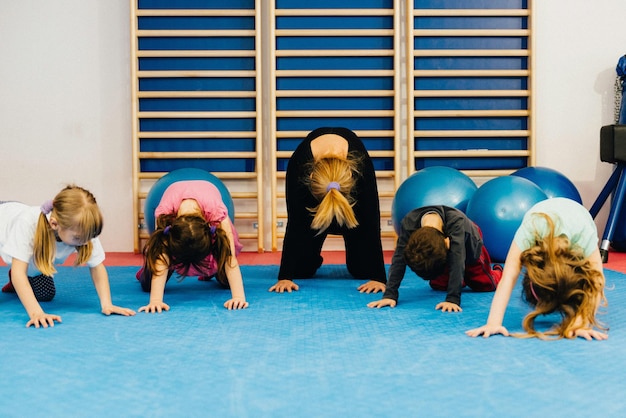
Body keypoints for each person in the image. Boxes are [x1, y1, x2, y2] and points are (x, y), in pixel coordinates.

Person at [466, 197, 608, 340]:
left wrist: (581, 323)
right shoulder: (530, 230)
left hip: (578, 216)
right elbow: (507, 278)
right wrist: (493, 323)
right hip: (542, 213)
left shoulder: (584, 236)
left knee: (585, 278)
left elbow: (597, 280)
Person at [269, 127, 387, 293]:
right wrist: (285, 277)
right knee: (302, 271)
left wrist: (379, 278)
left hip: (351, 210)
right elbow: (295, 222)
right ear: (309, 178)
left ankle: (356, 259)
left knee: (361, 271)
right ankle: (311, 257)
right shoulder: (299, 165)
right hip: (314, 213)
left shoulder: (360, 167)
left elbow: (371, 221)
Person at [0, 185, 136, 328]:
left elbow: (97, 267)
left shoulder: (83, 231)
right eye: (78, 238)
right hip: (4, 217)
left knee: (45, 293)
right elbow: (18, 272)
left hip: (27, 256)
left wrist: (107, 304)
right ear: (54, 224)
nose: (84, 242)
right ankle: (17, 278)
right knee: (19, 272)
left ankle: (15, 282)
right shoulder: (28, 225)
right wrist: (36, 313)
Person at [136, 179, 248, 312]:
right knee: (148, 285)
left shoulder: (216, 212)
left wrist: (239, 297)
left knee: (226, 281)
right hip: (178, 221)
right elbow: (160, 257)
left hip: (208, 207)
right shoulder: (164, 214)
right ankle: (146, 272)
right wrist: (155, 301)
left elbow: (229, 257)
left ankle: (212, 271)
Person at [368, 206, 502, 311]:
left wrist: (452, 299)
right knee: (440, 285)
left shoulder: (456, 224)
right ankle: (458, 280)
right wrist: (390, 295)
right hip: (443, 249)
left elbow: (458, 261)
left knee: (484, 285)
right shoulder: (409, 223)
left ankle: (498, 271)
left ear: (446, 242)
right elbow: (398, 259)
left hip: (471, 247)